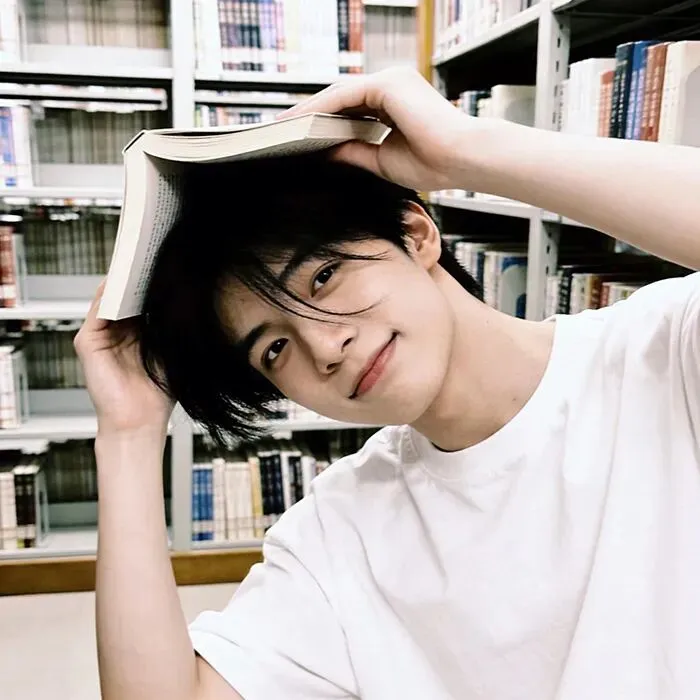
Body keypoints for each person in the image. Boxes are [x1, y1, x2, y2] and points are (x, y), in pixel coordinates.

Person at [75, 67, 700, 700]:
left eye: (323, 278)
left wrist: (467, 150)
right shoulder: (343, 527)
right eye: (274, 348)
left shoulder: (665, 352)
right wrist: (128, 435)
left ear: (417, 234)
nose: (324, 347)